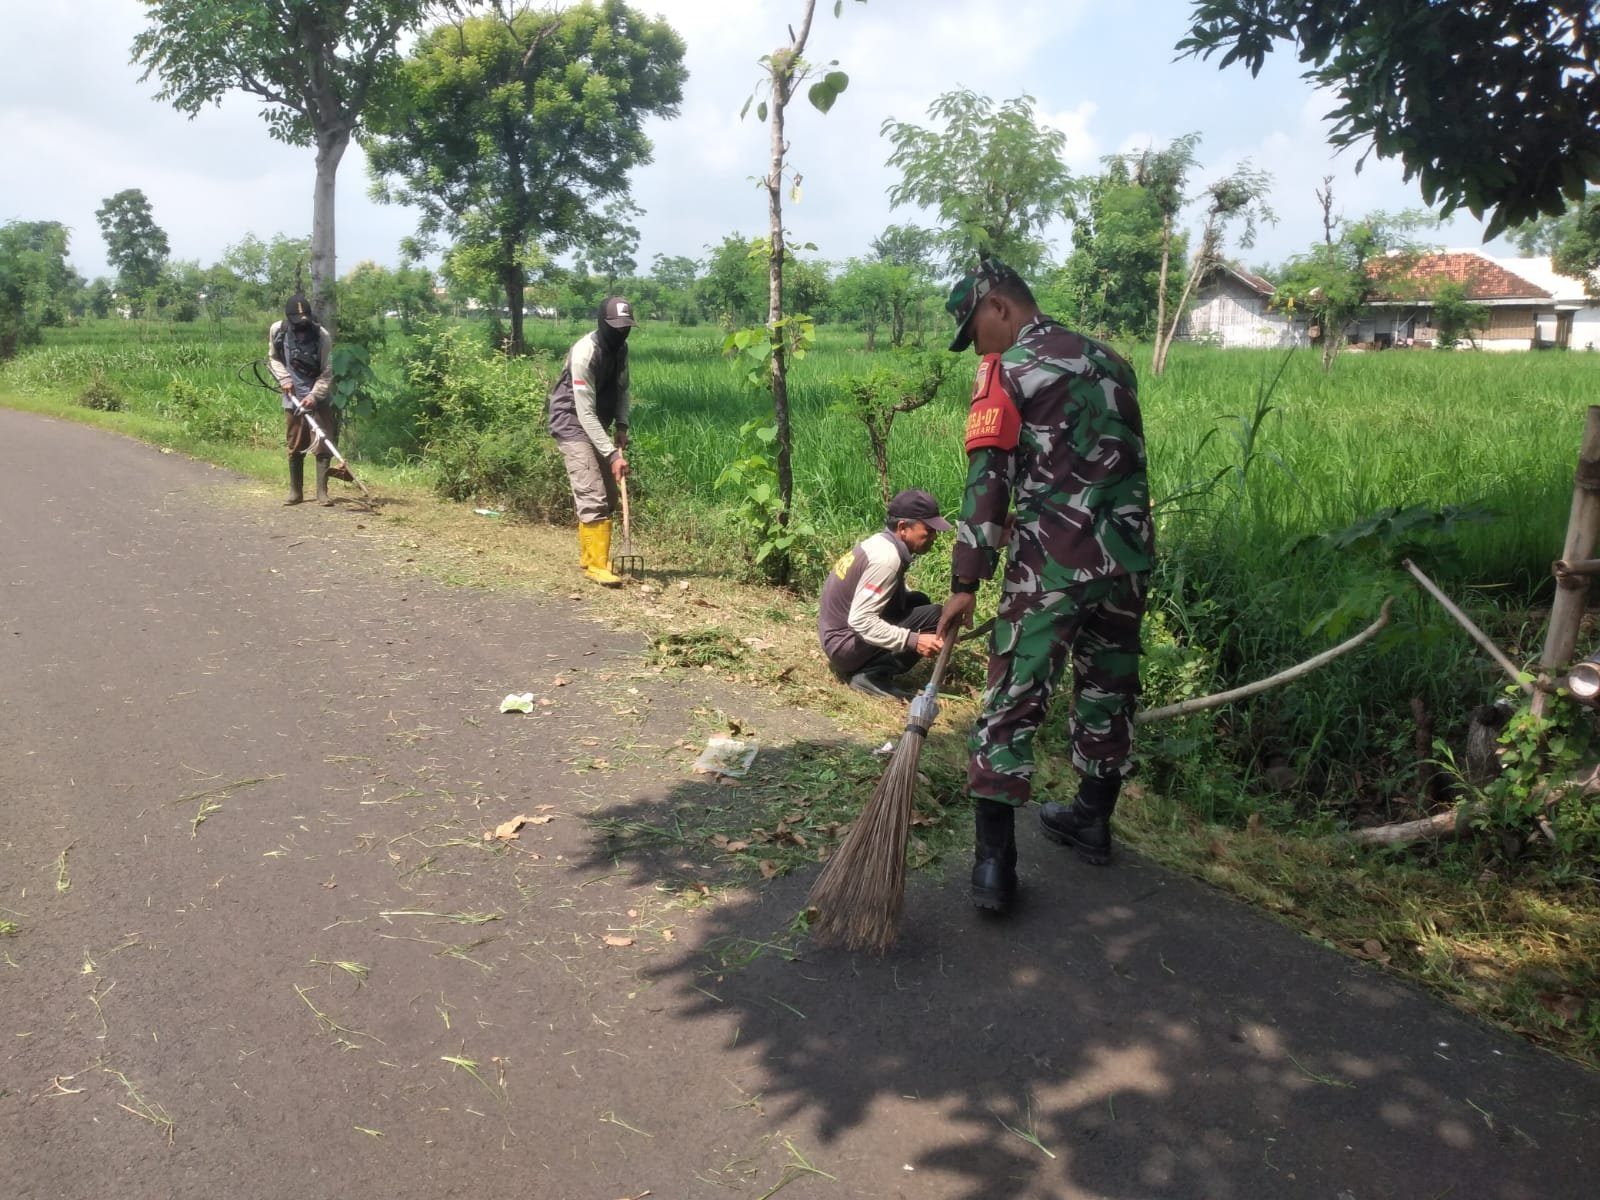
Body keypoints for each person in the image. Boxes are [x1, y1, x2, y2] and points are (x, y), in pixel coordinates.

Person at [936, 258, 1155, 914]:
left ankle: (994, 868)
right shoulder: (1113, 359)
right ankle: (1092, 819)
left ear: (998, 306)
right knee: (1108, 689)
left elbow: (988, 483)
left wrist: (964, 582)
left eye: (973, 328)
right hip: (1126, 562)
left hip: (1050, 570)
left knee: (1011, 702)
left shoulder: (1007, 371)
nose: (975, 345)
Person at [818, 489, 951, 700]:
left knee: (920, 602)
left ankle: (870, 667)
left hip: (836, 636)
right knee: (934, 616)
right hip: (843, 645)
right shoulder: (886, 560)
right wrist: (913, 640)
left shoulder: (881, 543)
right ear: (903, 528)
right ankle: (871, 676)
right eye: (928, 529)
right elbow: (860, 620)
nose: (934, 536)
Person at [549, 296, 637, 586]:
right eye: (616, 327)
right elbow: (584, 412)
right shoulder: (585, 353)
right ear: (603, 322)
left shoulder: (621, 350)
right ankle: (597, 565)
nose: (621, 332)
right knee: (593, 492)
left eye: (626, 327)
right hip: (572, 420)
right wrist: (613, 455)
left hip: (598, 422)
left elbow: (623, 389)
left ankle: (589, 555)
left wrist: (622, 424)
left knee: (610, 497)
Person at [267, 292, 338, 506]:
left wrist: (314, 395)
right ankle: (295, 492)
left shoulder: (322, 335)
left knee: (322, 442)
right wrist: (284, 379)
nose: (301, 326)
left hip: (318, 395)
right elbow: (273, 358)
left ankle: (322, 493)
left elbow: (327, 371)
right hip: (293, 396)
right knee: (295, 442)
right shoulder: (277, 330)